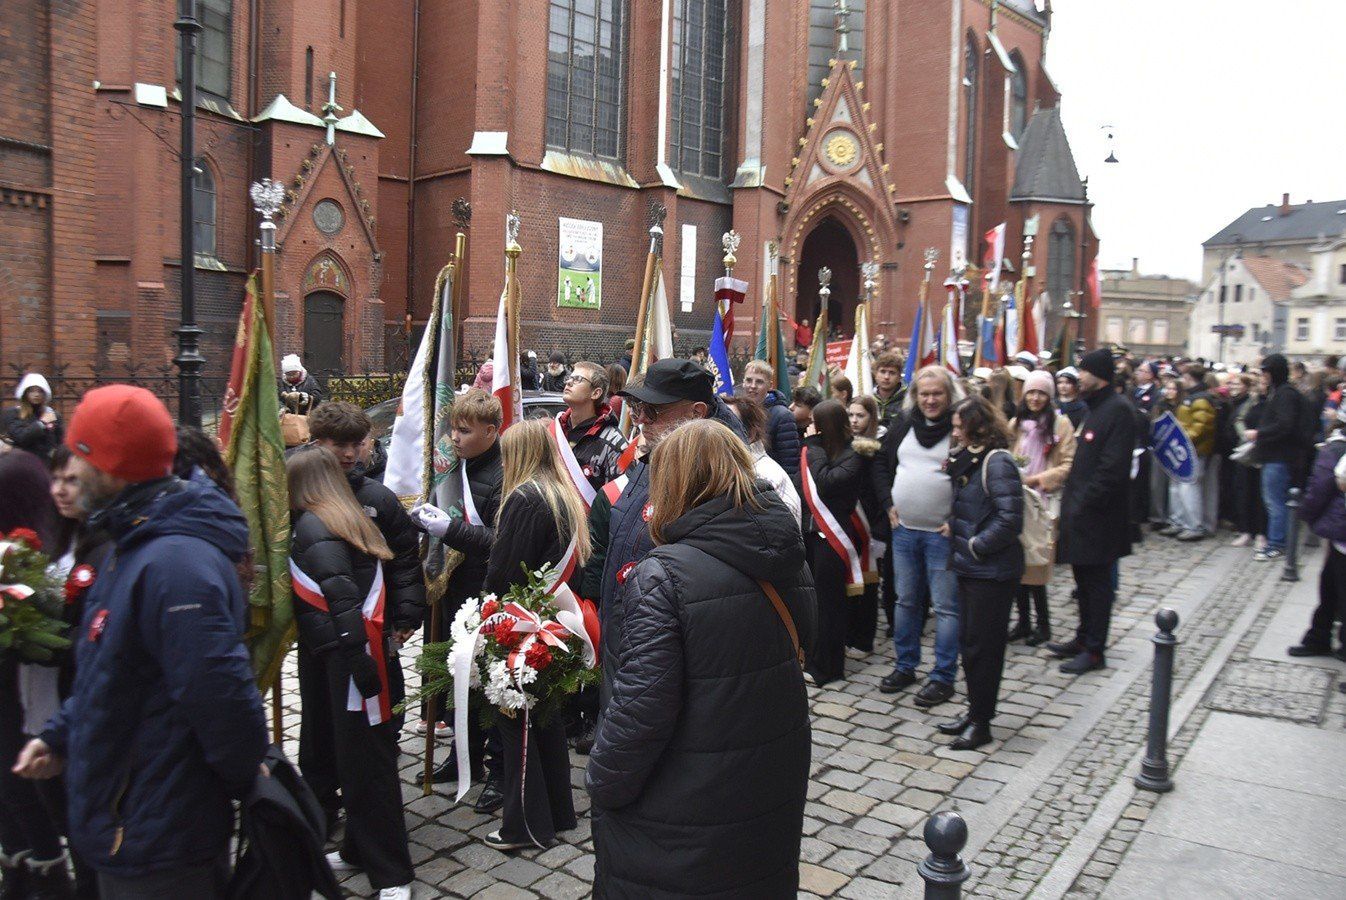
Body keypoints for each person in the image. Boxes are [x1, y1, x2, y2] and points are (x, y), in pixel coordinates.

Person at [14, 385, 268, 898]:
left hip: (161, 833)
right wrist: (61, 735)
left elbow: (221, 698)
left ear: (107, 466)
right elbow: (108, 667)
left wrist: (248, 786)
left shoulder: (174, 563)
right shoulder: (130, 540)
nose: (63, 476)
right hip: (129, 817)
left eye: (76, 458)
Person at [587, 420, 815, 898]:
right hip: (765, 781)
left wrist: (601, 781)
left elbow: (640, 713)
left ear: (674, 482)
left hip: (684, 811)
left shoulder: (664, 575)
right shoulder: (787, 554)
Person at [286, 447, 414, 899]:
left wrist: (359, 664)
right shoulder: (336, 518)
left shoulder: (314, 525)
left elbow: (341, 599)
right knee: (354, 760)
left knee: (367, 770)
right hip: (342, 659)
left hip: (353, 662)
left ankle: (393, 875)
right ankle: (360, 849)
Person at [302, 404, 424, 819]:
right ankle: (320, 803)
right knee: (319, 723)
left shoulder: (376, 497)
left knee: (382, 713)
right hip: (322, 636)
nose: (351, 454)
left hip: (374, 630)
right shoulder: (300, 494)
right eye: (340, 444)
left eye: (357, 443)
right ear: (317, 443)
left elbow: (406, 557)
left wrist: (407, 614)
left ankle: (373, 799)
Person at [480, 420, 590, 852]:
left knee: (519, 725)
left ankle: (525, 826)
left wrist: (484, 618)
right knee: (546, 724)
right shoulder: (559, 492)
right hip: (550, 620)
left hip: (523, 626)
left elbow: (504, 569)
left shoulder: (526, 498)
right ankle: (559, 811)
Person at [588, 359, 749, 620]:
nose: (640, 420)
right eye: (638, 408)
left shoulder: (720, 484)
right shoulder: (653, 459)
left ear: (696, 413)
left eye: (653, 410)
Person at [409, 389, 506, 808]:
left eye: (464, 431)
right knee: (457, 680)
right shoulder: (450, 468)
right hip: (452, 587)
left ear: (490, 430)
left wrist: (450, 532)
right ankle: (463, 756)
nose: (456, 437)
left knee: (490, 685)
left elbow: (501, 542)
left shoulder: (505, 473)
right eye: (453, 428)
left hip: (487, 591)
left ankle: (499, 770)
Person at [0, 449, 74, 898]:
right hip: (19, 702)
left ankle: (46, 871)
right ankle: (22, 865)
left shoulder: (44, 560)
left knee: (21, 788)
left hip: (30, 704)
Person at [937, 396, 1024, 751]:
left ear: (978, 426)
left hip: (992, 572)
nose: (954, 431)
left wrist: (975, 544)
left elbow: (1010, 519)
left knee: (984, 649)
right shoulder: (968, 461)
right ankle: (974, 712)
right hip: (971, 568)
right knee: (969, 645)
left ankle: (982, 722)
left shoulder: (997, 462)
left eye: (960, 425)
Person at [873, 366, 964, 706]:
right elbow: (881, 464)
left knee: (945, 608)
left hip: (943, 536)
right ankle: (905, 665)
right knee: (906, 601)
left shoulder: (959, 429)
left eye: (936, 393)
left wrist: (956, 517)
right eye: (924, 394)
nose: (930, 400)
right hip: (905, 531)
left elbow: (973, 475)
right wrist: (887, 503)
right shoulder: (905, 424)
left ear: (948, 395)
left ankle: (943, 677)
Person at [1050, 350, 1135, 674]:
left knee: (1098, 587)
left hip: (1099, 519)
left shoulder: (1118, 411)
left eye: (1082, 372)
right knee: (1082, 582)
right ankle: (1083, 638)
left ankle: (1095, 650)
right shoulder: (1096, 409)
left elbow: (1111, 471)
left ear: (1097, 374)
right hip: (1082, 517)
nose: (1077, 377)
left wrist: (1083, 504)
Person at [1008, 370, 1075, 645]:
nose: (1035, 398)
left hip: (1042, 501)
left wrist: (1038, 479)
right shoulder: (1016, 424)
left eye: (1041, 393)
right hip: (1016, 499)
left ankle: (1043, 624)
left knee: (1038, 564)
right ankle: (1023, 620)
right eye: (1031, 393)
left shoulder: (1060, 425)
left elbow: (1067, 463)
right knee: (1017, 564)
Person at [800, 400, 864, 685]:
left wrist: (812, 447)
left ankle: (829, 666)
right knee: (816, 602)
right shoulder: (825, 450)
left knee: (830, 605)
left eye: (815, 422)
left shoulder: (853, 455)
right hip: (814, 535)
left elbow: (825, 482)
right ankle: (814, 658)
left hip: (834, 536)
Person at [1287, 406, 1346, 660]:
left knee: (1337, 590)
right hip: (1340, 534)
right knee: (1331, 588)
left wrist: (1308, 515)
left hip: (1341, 530)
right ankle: (1320, 638)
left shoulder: (1336, 449)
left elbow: (1320, 487)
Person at [1248, 354, 1307, 562]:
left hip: (1279, 457)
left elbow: (1285, 425)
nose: (1263, 376)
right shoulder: (1280, 392)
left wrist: (1259, 434)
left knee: (1276, 503)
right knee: (1275, 502)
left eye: (1265, 372)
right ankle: (1278, 542)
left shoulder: (1285, 394)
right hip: (1275, 456)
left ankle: (1277, 543)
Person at [846, 396, 888, 653]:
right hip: (850, 523)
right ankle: (850, 633)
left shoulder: (879, 447)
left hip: (871, 525)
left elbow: (881, 492)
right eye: (850, 415)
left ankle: (865, 638)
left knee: (869, 585)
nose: (854, 420)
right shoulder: (847, 444)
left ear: (871, 418)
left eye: (860, 416)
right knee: (852, 583)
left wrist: (881, 533)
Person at [722, 396, 802, 523]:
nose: (718, 433)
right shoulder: (725, 470)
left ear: (750, 434)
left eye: (727, 426)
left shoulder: (764, 477)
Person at [557, 362, 628, 494]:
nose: (569, 383)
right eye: (569, 378)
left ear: (595, 393)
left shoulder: (614, 443)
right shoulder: (556, 430)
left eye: (578, 379)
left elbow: (618, 496)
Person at [739, 360, 801, 480]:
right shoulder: (737, 411)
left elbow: (790, 464)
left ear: (770, 385)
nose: (752, 386)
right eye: (748, 380)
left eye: (759, 382)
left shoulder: (783, 416)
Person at [1224, 374, 1265, 547]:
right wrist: (1244, 437)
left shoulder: (1270, 402)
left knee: (1259, 494)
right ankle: (1245, 530)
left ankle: (1261, 533)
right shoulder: (1248, 404)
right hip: (1245, 450)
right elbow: (1239, 421)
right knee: (1243, 492)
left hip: (1262, 451)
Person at [3, 373, 63, 461]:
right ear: (25, 393)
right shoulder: (14, 413)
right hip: (23, 464)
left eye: (40, 391)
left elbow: (60, 441)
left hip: (46, 466)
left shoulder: (52, 414)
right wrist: (41, 423)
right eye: (32, 391)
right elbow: (21, 437)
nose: (36, 394)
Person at [872, 351, 905, 427]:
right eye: (883, 372)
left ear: (899, 377)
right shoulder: (868, 396)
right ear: (876, 374)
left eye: (892, 373)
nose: (886, 377)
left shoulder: (908, 399)